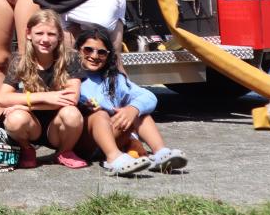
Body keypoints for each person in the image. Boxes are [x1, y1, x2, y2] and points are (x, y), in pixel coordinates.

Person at [74, 26, 188, 176]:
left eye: (101, 52)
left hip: (113, 135)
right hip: (84, 142)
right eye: (88, 50)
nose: (94, 56)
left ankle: (160, 153)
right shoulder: (72, 77)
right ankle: (113, 159)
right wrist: (82, 105)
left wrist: (133, 109)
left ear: (108, 56)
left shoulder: (115, 79)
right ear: (78, 50)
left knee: (140, 112)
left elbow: (149, 97)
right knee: (100, 116)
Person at [0, 10, 87, 170]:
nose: (45, 39)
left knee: (72, 113)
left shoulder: (71, 58)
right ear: (28, 34)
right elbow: (3, 98)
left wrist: (25, 104)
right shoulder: (19, 61)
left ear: (60, 37)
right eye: (39, 33)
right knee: (14, 119)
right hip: (32, 124)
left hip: (58, 124)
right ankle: (27, 149)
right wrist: (47, 97)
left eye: (51, 34)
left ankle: (64, 151)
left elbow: (71, 99)